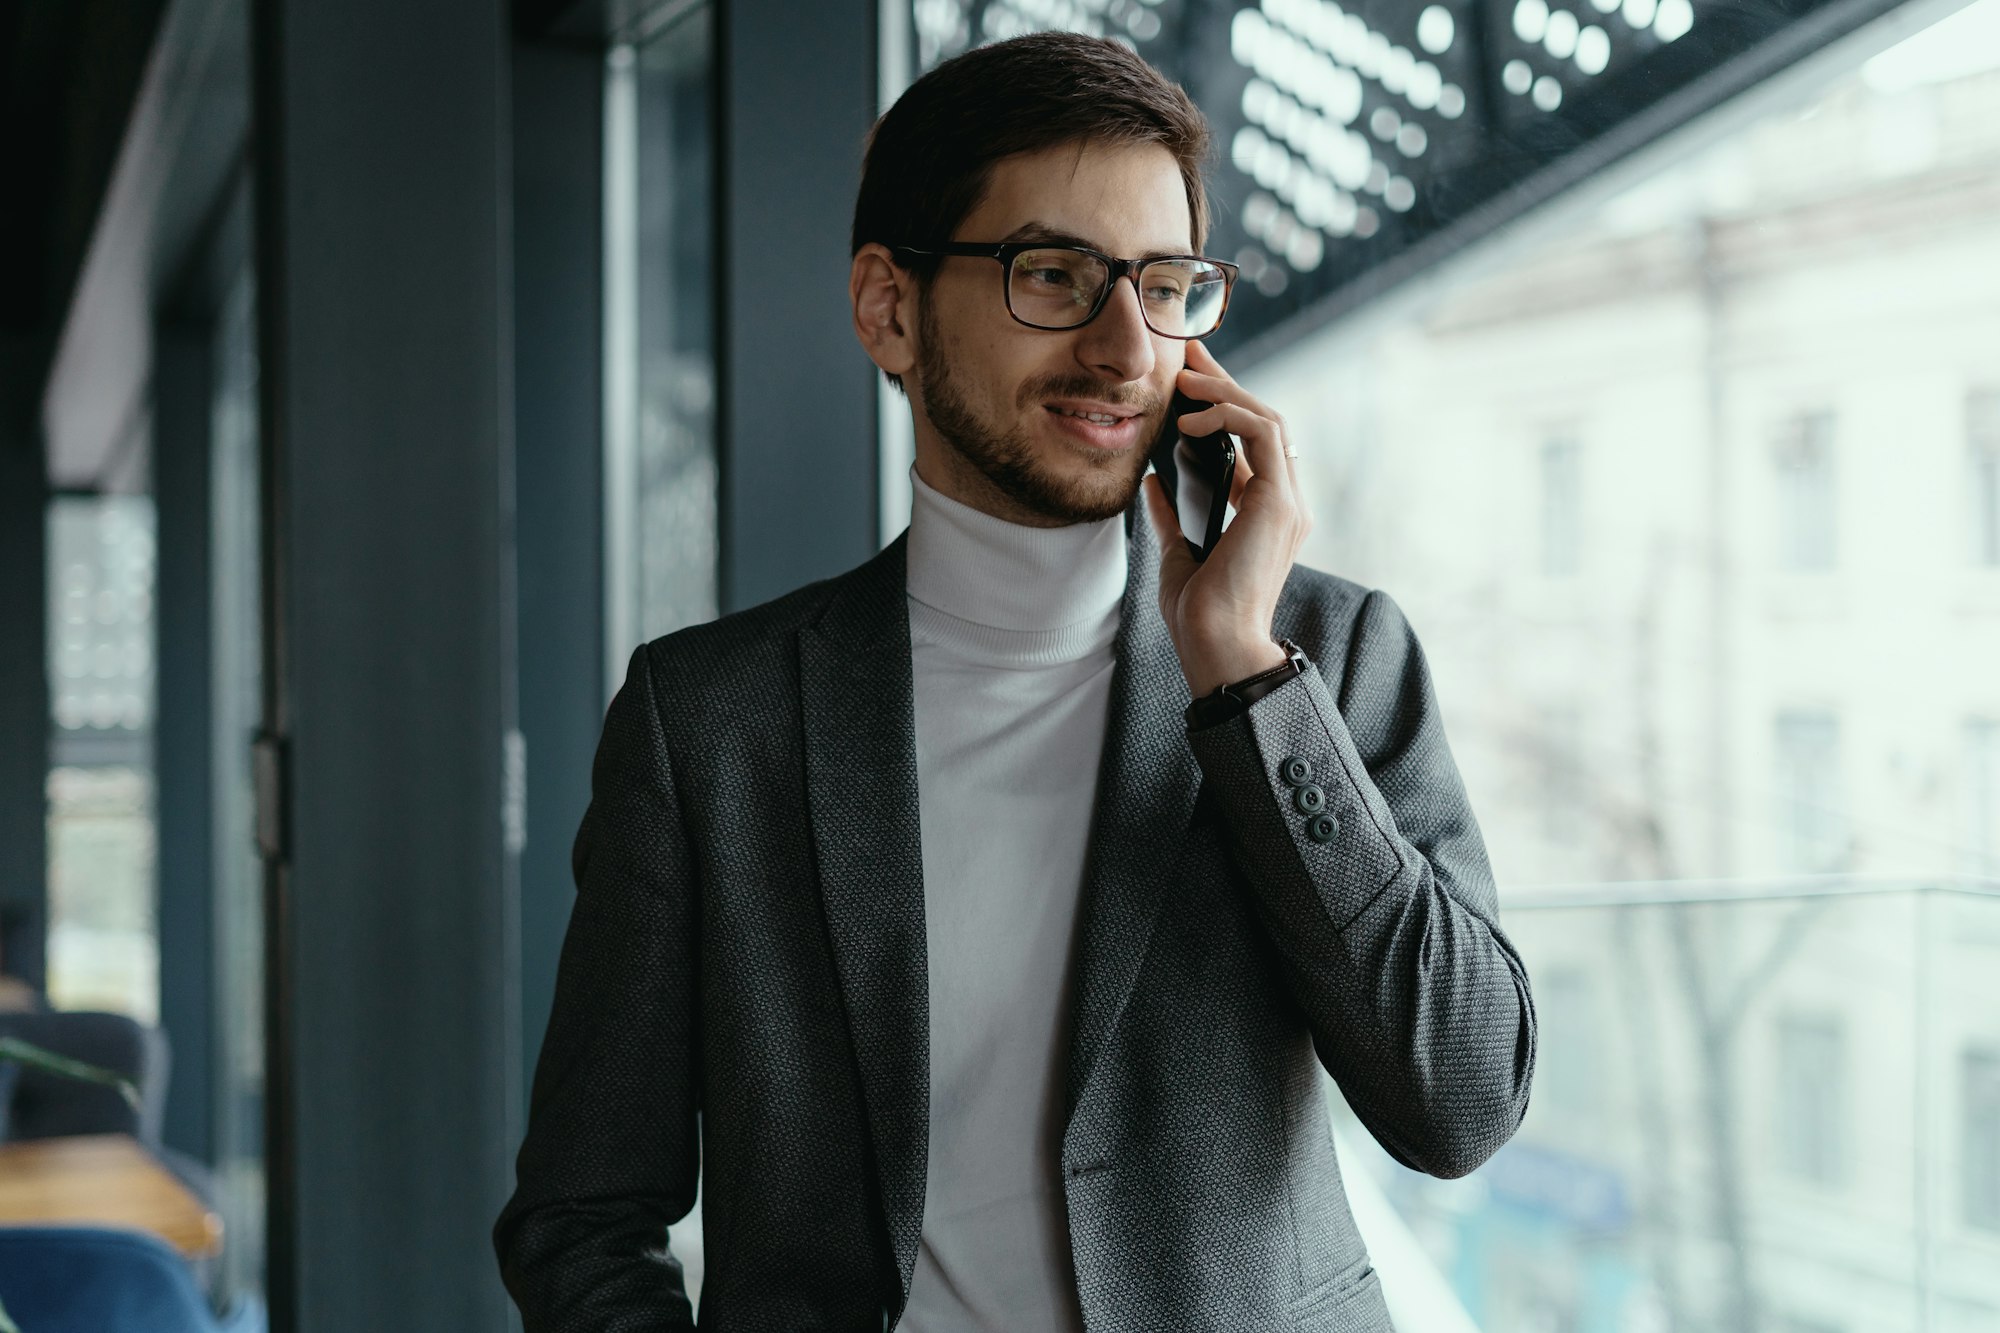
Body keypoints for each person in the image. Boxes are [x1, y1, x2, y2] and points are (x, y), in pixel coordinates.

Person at [495, 30, 1535, 1331]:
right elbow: (581, 1214)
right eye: (1054, 273)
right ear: (890, 307)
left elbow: (1463, 1102)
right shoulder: (708, 724)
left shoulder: (1324, 663)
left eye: (1165, 285)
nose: (1122, 345)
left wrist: (1242, 675)